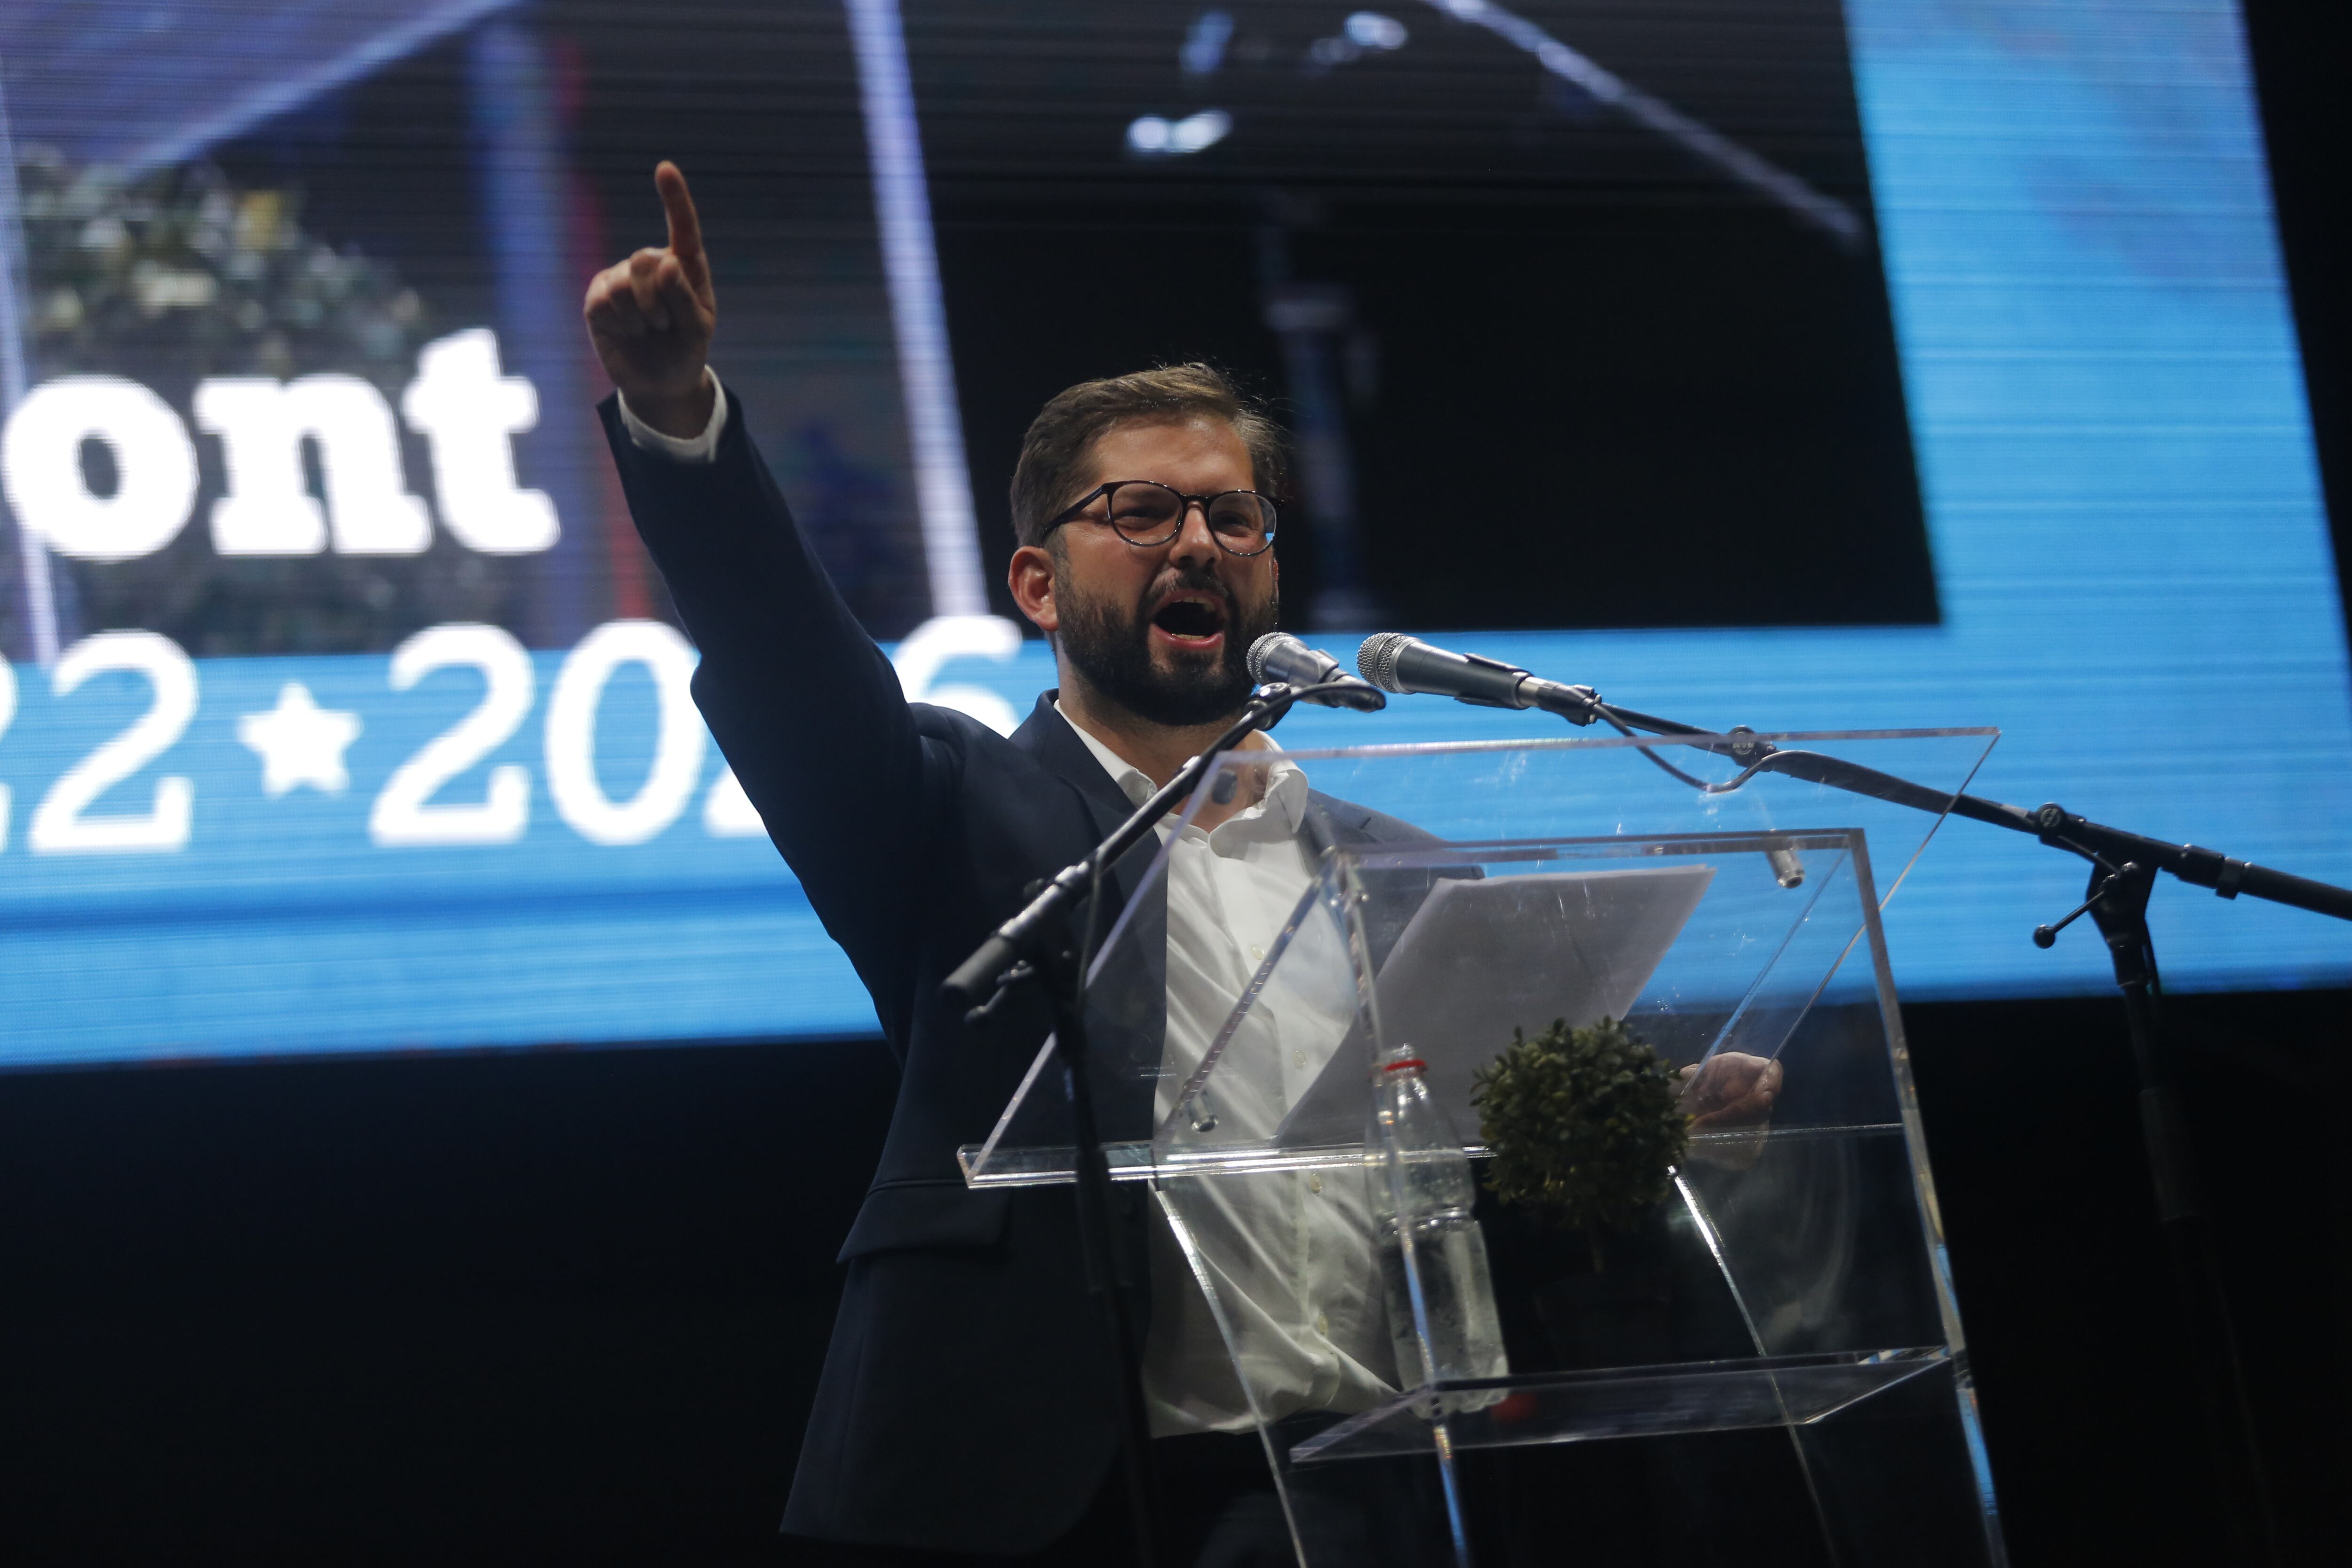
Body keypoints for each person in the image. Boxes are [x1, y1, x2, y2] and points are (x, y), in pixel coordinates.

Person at [583, 162, 1781, 1566]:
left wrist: (1646, 1128)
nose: (1196, 542)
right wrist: (678, 420)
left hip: (1371, 1488)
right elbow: (790, 664)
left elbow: (1476, 1179)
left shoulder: (1407, 873)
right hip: (1045, 1499)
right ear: (1038, 584)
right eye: (1142, 514)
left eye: (1230, 516)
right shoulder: (951, 812)